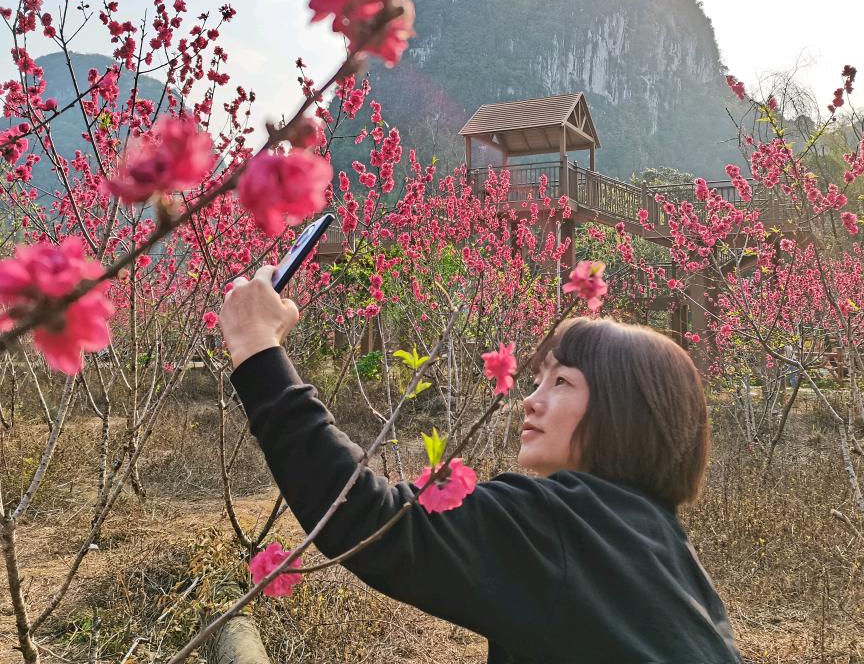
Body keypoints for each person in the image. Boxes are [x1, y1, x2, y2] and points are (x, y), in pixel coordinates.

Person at [219, 265, 743, 664]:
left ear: (626, 410)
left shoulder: (556, 522)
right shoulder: (671, 553)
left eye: (561, 382)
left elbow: (369, 518)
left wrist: (257, 350)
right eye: (536, 380)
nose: (530, 401)